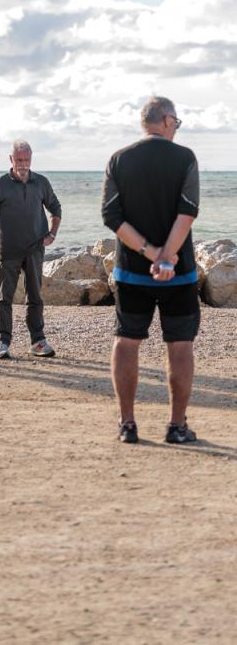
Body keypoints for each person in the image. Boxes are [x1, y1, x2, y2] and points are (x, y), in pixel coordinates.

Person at [101, 96, 200, 445]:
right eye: (178, 122)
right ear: (168, 120)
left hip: (131, 270)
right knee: (180, 345)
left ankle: (127, 424)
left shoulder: (119, 159)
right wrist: (167, 257)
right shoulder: (185, 158)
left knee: (127, 342)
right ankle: (176, 426)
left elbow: (112, 218)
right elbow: (186, 213)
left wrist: (149, 252)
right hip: (179, 272)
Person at [0, 139, 61, 359]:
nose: (23, 164)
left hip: (35, 249)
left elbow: (56, 208)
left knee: (35, 296)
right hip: (8, 250)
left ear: (31, 159)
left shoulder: (41, 183)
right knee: (4, 298)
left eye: (26, 160)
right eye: (19, 160)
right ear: (11, 159)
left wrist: (52, 233)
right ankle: (3, 342)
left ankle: (37, 341)